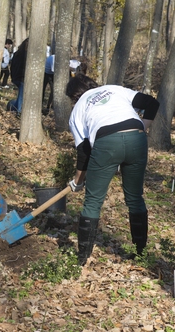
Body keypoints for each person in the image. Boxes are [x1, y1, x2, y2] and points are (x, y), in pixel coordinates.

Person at [65, 74, 160, 266]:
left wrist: (77, 182)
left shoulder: (77, 111)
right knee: (135, 198)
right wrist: (142, 127)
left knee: (92, 202)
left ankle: (82, 260)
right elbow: (152, 103)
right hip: (137, 138)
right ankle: (140, 254)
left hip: (106, 141)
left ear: (74, 97)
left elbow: (84, 152)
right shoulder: (114, 89)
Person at [8, 38, 28, 113]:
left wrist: (12, 76)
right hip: (22, 78)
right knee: (21, 95)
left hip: (16, 77)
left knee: (21, 94)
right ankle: (19, 111)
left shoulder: (16, 54)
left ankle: (12, 105)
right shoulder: (26, 55)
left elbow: (12, 66)